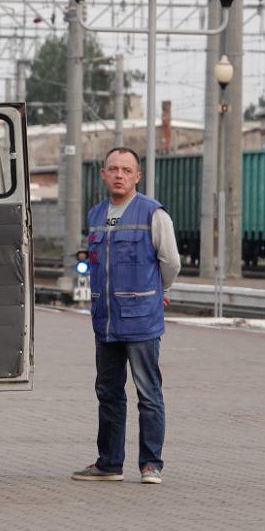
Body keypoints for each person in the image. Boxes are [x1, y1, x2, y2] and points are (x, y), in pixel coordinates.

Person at [71, 147, 181, 486]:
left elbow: (171, 262)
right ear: (103, 174)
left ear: (137, 176)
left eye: (126, 170)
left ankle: (151, 465)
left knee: (148, 393)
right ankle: (109, 464)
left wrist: (155, 292)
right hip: (105, 321)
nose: (119, 175)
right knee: (109, 392)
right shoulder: (96, 214)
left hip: (141, 320)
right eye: (113, 169)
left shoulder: (153, 214)